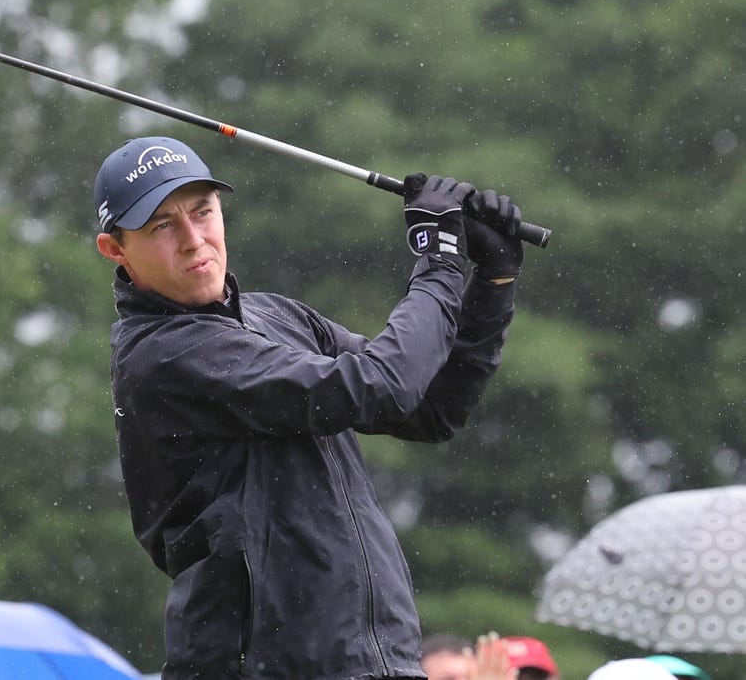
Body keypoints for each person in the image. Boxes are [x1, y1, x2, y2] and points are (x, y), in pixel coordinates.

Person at [93, 136, 524, 679]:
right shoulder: (165, 352)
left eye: (203, 212)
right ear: (115, 249)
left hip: (374, 661)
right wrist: (438, 261)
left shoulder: (277, 317)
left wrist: (491, 282)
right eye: (161, 226)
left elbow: (431, 406)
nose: (193, 239)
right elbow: (380, 383)